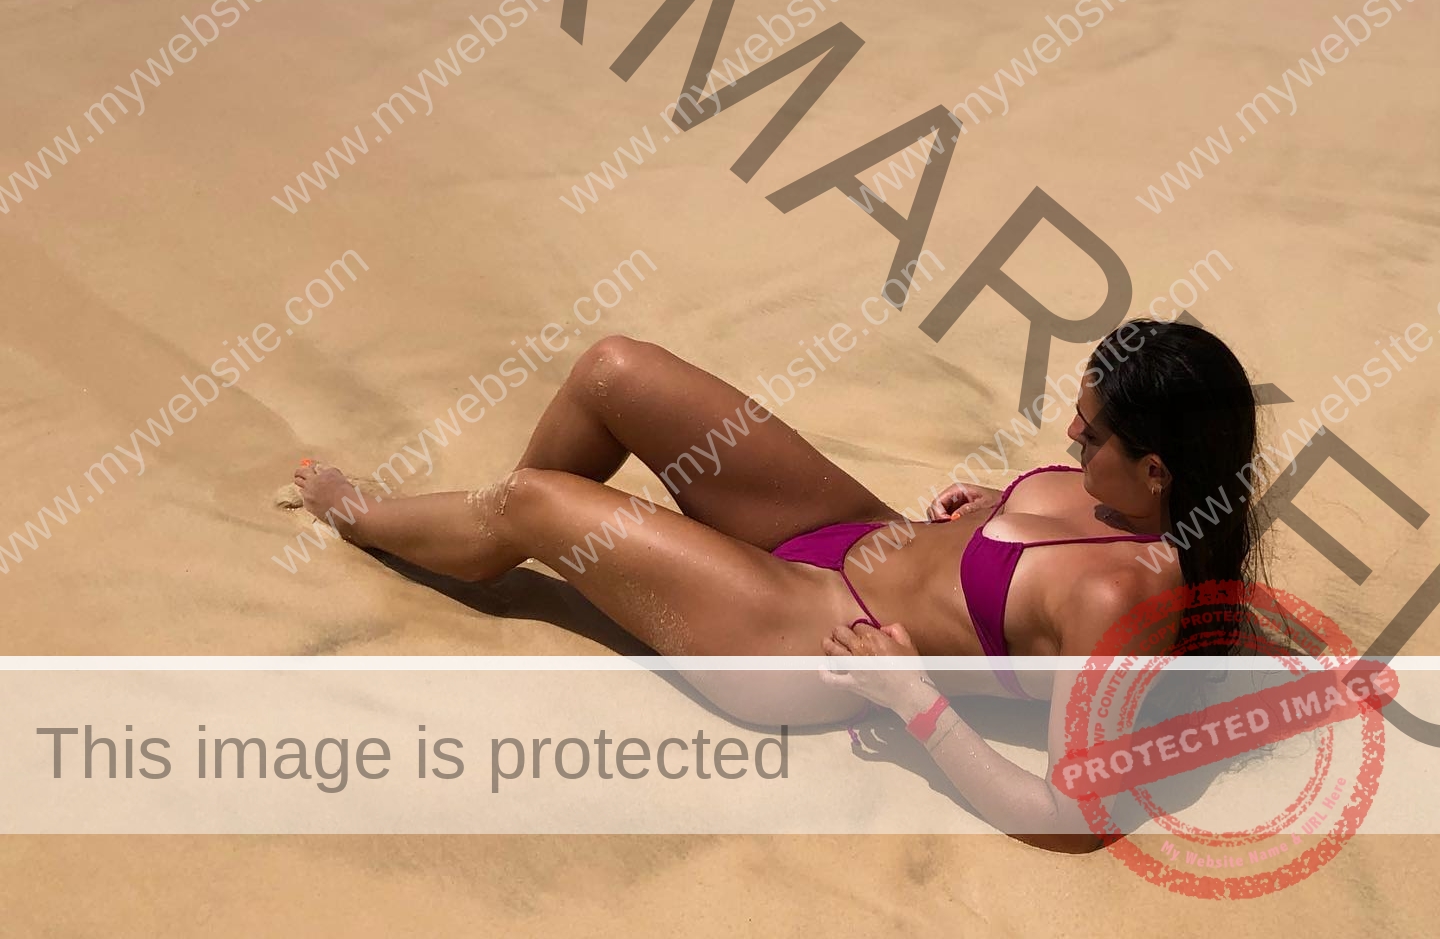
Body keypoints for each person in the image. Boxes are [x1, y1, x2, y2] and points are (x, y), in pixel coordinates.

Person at [293, 317, 1260, 841]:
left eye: (1090, 436)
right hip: (845, 533)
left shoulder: (1119, 597)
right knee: (612, 368)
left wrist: (912, 699)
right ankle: (505, 530)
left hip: (809, 636)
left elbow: (1072, 815)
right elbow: (1019, 578)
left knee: (538, 504)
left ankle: (379, 517)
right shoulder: (1141, 498)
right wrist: (984, 515)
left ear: (1158, 471)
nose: (1069, 437)